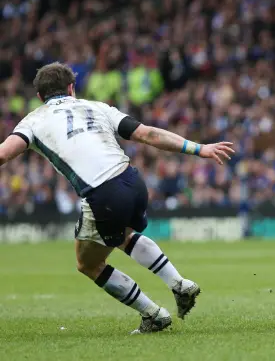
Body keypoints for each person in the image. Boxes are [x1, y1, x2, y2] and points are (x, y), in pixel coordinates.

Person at [0, 62, 235, 334]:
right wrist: (199, 148)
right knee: (122, 236)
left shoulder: (33, 120)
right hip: (132, 181)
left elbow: (5, 154)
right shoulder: (98, 107)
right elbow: (147, 133)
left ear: (39, 97)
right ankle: (179, 283)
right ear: (71, 88)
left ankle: (154, 314)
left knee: (87, 263)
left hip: (103, 194)